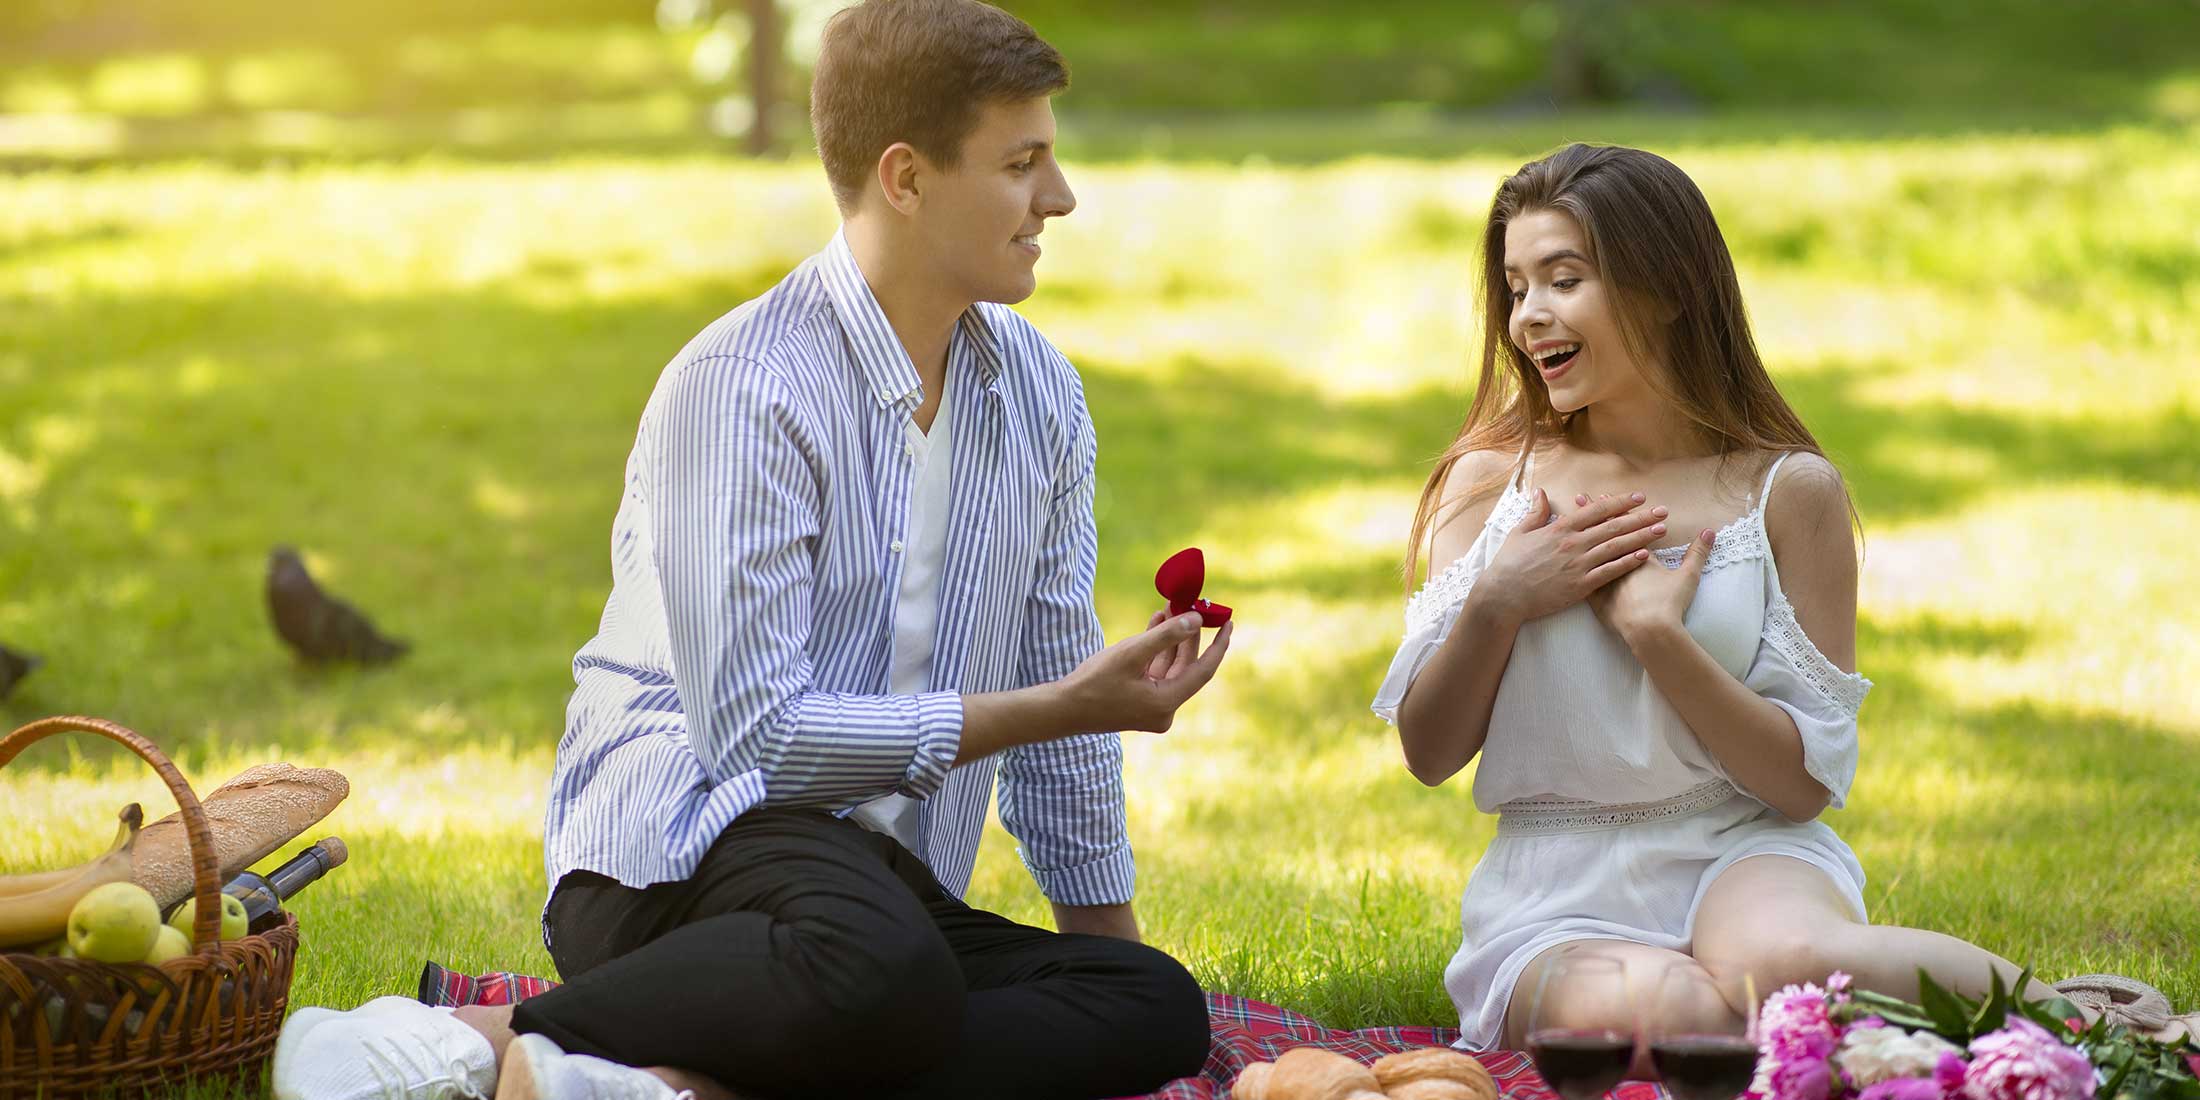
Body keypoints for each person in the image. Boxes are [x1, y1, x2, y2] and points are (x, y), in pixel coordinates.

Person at [273, 3, 1228, 1098]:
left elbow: (1068, 732)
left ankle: (677, 1085)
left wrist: (1106, 957)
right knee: (887, 970)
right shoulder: (741, 387)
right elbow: (760, 741)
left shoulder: (1040, 398)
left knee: (1155, 1005)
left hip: (872, 895)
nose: (1057, 198)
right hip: (675, 858)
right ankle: (463, 1044)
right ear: (905, 179)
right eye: (1022, 164)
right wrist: (1063, 703)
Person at [1371, 142, 2194, 1067]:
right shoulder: (1489, 485)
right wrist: (1501, 601)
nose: (1530, 316)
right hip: (1554, 891)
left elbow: (1802, 786)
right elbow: (1429, 753)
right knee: (1681, 1018)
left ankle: (2113, 1036)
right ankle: (1877, 1060)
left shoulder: (1786, 494)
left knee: (1795, 963)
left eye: (1565, 279)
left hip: (1746, 852)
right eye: (1517, 286)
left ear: (1669, 287)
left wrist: (1658, 637)